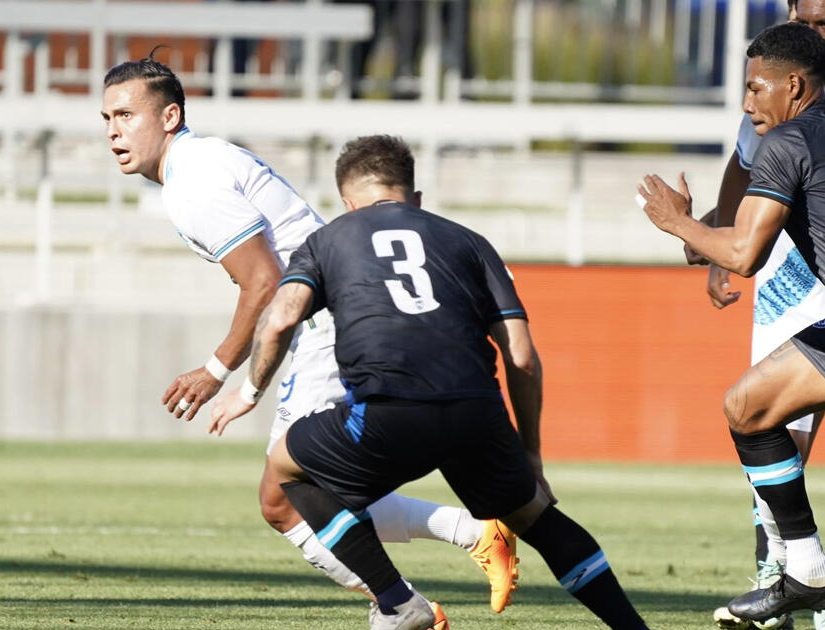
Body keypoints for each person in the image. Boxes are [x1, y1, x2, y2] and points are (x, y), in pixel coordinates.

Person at [99, 55, 520, 618]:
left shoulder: (191, 183)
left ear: (170, 115)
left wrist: (219, 372)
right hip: (339, 314)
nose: (113, 131)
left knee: (285, 498)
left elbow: (266, 281)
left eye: (127, 115)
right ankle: (452, 553)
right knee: (312, 489)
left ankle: (406, 599)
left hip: (325, 322)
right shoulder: (203, 159)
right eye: (107, 118)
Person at [212, 135, 650, 630]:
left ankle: (397, 602)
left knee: (288, 470)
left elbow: (277, 320)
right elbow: (522, 358)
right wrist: (530, 456)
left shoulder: (331, 237)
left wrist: (248, 391)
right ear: (415, 198)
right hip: (475, 412)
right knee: (535, 518)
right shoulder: (469, 242)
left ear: (348, 202)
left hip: (386, 414)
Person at [637, 21, 825, 622]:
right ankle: (807, 573)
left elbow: (744, 256)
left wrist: (678, 222)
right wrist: (706, 234)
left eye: (756, 89)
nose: (748, 103)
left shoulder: (786, 144)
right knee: (748, 408)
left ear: (794, 86)